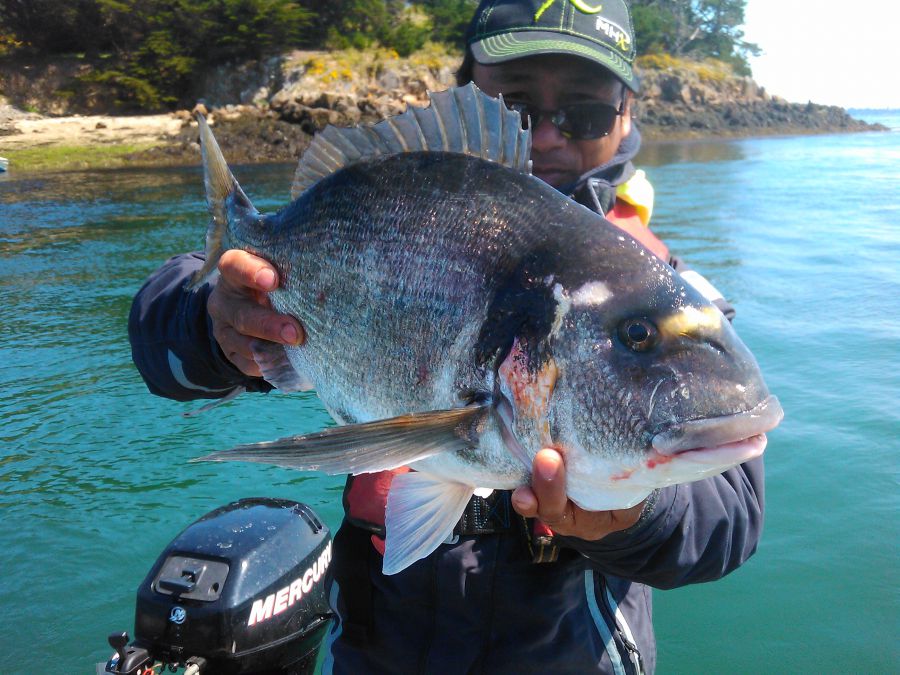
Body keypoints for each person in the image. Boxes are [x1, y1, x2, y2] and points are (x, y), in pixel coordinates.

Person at [128, 0, 762, 672]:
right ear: (471, 89)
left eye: (583, 111)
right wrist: (217, 323)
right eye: (517, 107)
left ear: (626, 114)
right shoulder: (343, 234)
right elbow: (157, 347)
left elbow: (732, 519)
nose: (546, 136)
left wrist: (636, 515)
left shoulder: (667, 290)